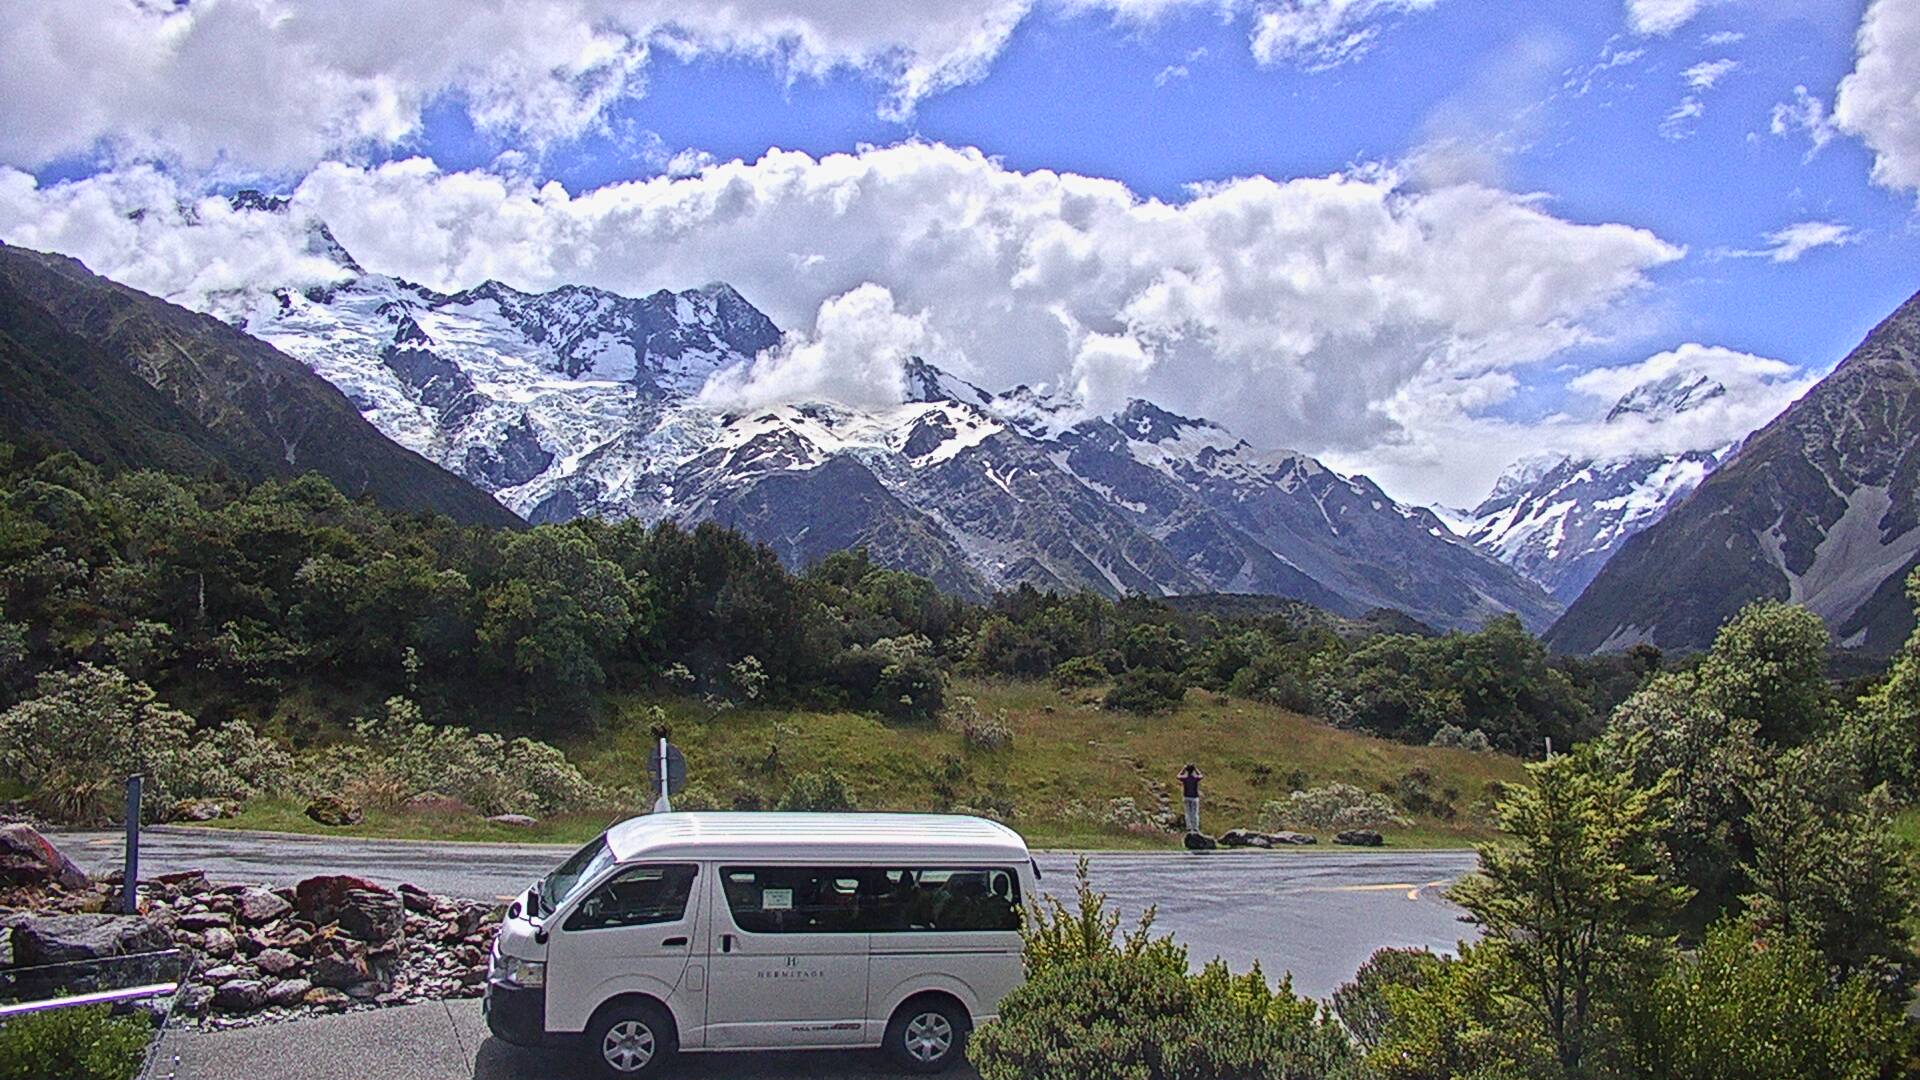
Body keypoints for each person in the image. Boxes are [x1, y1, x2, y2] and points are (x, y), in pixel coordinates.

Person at [1177, 763, 1204, 834]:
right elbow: (1201, 776)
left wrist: (1183, 769)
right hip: (1194, 798)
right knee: (1195, 813)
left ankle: (1189, 828)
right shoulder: (1195, 778)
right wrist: (1196, 769)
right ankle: (1195, 828)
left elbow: (1178, 776)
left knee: (1187, 813)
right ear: (1193, 771)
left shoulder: (1185, 778)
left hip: (1186, 797)